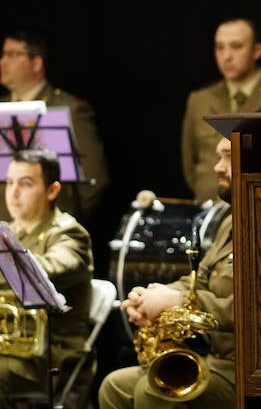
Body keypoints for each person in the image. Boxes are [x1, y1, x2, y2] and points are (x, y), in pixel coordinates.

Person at [0, 147, 94, 407]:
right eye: (9, 182)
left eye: (25, 184)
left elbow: (55, 265)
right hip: (1, 344)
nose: (12, 192)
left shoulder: (69, 233)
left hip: (47, 354)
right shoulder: (7, 232)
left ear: (52, 191)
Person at [98, 136, 235, 408]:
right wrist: (157, 296)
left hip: (244, 370)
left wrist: (179, 304)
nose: (218, 167)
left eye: (229, 157)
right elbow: (200, 279)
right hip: (217, 360)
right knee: (113, 386)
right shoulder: (231, 219)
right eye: (218, 157)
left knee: (152, 393)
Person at [0, 29, 110, 260]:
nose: (2, 61)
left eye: (12, 54)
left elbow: (94, 179)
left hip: (46, 239)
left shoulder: (68, 108)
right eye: (2, 54)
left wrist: (58, 213)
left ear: (36, 63)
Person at [181, 17, 261, 204]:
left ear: (256, 50)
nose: (226, 56)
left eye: (236, 46)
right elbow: (190, 167)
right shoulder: (199, 100)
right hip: (208, 212)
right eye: (219, 47)